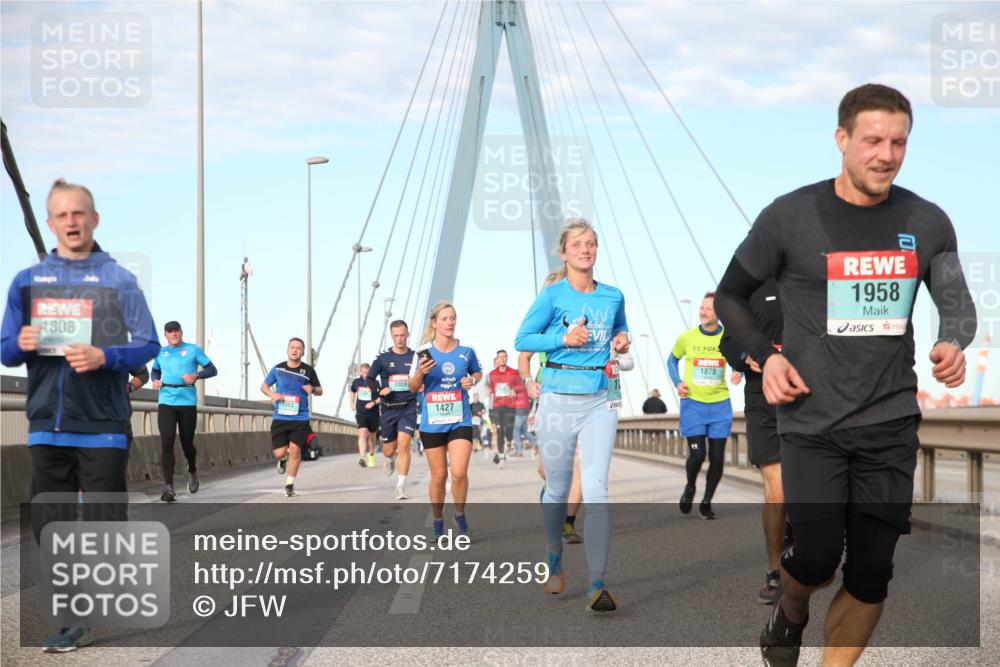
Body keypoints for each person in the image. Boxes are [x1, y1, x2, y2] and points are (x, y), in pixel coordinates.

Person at [714, 84, 977, 667]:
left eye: (899, 142)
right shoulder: (789, 217)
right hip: (812, 422)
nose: (886, 154)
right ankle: (791, 608)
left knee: (871, 572)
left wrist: (951, 341)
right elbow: (731, 295)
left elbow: (958, 304)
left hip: (889, 422)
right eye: (873, 141)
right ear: (842, 140)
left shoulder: (928, 221)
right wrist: (766, 353)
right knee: (813, 559)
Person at [1, 178, 160, 652]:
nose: (71, 221)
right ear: (50, 223)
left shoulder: (119, 280)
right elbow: (6, 350)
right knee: (49, 525)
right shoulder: (27, 283)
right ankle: (76, 616)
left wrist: (104, 357)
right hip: (47, 424)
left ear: (94, 220)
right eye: (62, 215)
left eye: (79, 213)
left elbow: (147, 345)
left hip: (103, 426)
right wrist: (21, 342)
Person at [515, 217, 630, 612]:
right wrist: (562, 338)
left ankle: (597, 584)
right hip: (558, 397)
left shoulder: (613, 296)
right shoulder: (551, 296)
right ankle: (553, 555)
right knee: (560, 490)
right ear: (563, 253)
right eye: (577, 244)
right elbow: (523, 340)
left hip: (600, 399)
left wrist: (621, 339)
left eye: (591, 243)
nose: (585, 249)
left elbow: (622, 331)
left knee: (597, 490)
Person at [719, 278, 786, 604]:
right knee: (778, 488)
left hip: (813, 398)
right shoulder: (750, 290)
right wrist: (746, 356)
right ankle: (775, 572)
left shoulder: (816, 279)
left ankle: (804, 548)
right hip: (763, 399)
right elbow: (728, 342)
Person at [408, 302, 482, 539]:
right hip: (433, 421)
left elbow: (477, 372)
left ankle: (460, 517)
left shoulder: (466, 350)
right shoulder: (422, 352)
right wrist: (421, 372)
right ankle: (438, 520)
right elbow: (412, 387)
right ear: (435, 323)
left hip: (460, 419)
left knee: (459, 472)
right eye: (445, 319)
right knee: (439, 475)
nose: (450, 323)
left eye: (453, 318)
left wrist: (473, 380)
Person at [668, 292, 742, 520]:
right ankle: (690, 486)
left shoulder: (729, 338)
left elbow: (741, 358)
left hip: (720, 406)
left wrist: (738, 370)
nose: (703, 311)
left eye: (708, 308)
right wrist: (678, 383)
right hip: (693, 406)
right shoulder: (687, 338)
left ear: (719, 313)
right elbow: (672, 360)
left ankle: (707, 502)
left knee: (718, 458)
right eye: (702, 307)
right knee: (698, 455)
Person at [151, 321, 217, 502]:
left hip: (187, 402)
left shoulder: (193, 350)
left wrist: (196, 375)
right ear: (165, 335)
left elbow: (213, 369)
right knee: (167, 441)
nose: (173, 334)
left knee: (187, 443)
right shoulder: (161, 352)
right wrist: (155, 381)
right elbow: (155, 371)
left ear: (181, 332)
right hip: (166, 401)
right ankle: (169, 488)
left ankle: (193, 468)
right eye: (169, 332)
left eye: (176, 331)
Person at [260, 337, 322, 497]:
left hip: (300, 418)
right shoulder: (278, 369)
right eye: (292, 347)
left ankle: (289, 483)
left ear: (303, 351)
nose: (295, 350)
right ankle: (283, 459)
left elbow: (320, 390)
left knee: (295, 449)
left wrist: (313, 389)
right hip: (281, 416)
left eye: (298, 348)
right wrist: (273, 395)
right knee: (280, 453)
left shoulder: (308, 371)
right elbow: (264, 386)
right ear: (288, 350)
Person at [369, 320, 418, 500]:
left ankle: (400, 486)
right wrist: (379, 390)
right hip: (389, 409)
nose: (399, 339)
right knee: (390, 450)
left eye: (402, 335)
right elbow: (370, 379)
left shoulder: (415, 357)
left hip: (408, 408)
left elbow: (424, 376)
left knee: (404, 445)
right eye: (396, 336)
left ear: (407, 334)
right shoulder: (382, 358)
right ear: (391, 336)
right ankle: (389, 459)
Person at [486, 349, 519, 467]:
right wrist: (488, 390)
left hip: (510, 406)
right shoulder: (491, 374)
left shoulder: (513, 373)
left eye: (504, 357)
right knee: (499, 431)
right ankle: (501, 458)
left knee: (509, 430)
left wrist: (515, 390)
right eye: (500, 357)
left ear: (507, 358)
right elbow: (489, 388)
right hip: (497, 406)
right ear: (497, 359)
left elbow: (520, 387)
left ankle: (510, 442)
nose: (502, 359)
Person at [350, 363, 380, 468]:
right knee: (362, 433)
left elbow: (381, 397)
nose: (365, 373)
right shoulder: (356, 382)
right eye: (363, 371)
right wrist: (352, 403)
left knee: (372, 437)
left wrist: (373, 403)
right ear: (360, 372)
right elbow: (352, 391)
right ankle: (362, 457)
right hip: (361, 412)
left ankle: (371, 455)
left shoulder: (376, 383)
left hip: (373, 413)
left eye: (367, 371)